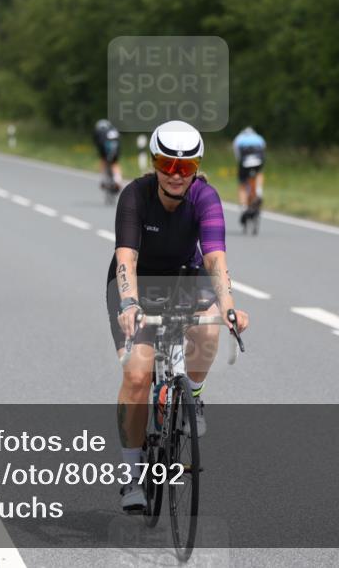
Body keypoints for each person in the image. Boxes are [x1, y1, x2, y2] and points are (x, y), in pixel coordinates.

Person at [107, 120, 249, 513]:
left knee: (209, 328)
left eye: (184, 167)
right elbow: (126, 258)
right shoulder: (135, 196)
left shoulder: (206, 197)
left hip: (188, 278)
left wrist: (229, 306)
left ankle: (194, 396)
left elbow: (215, 257)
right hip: (138, 284)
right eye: (166, 164)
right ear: (154, 162)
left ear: (196, 168)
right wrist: (129, 305)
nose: (174, 174)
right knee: (137, 375)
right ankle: (131, 478)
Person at [232, 126, 266, 222]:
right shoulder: (259, 138)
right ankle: (259, 191)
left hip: (245, 161)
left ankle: (243, 206)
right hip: (259, 160)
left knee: (242, 184)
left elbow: (237, 155)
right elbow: (263, 151)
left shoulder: (238, 138)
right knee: (259, 173)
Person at [93, 119, 122, 191]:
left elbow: (97, 143)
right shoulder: (114, 130)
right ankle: (118, 180)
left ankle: (102, 180)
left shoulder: (99, 131)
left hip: (104, 146)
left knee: (103, 160)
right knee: (115, 163)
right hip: (116, 146)